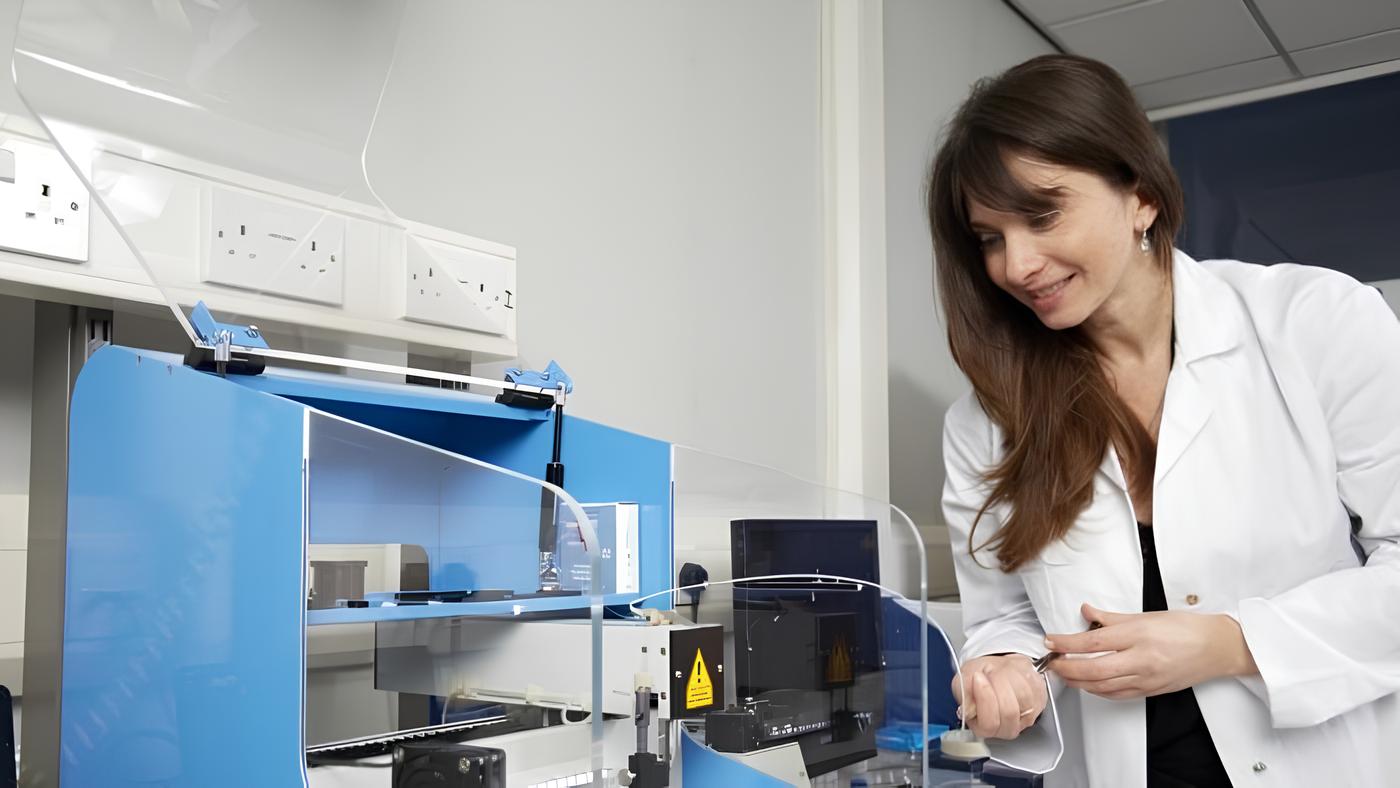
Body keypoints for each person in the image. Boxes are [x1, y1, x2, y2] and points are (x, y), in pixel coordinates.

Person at [931, 54, 1400, 786]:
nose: (1015, 265)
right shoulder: (987, 419)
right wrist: (1005, 668)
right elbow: (1004, 616)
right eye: (989, 238)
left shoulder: (1319, 324)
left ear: (1141, 196)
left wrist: (1231, 644)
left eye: (1043, 214)